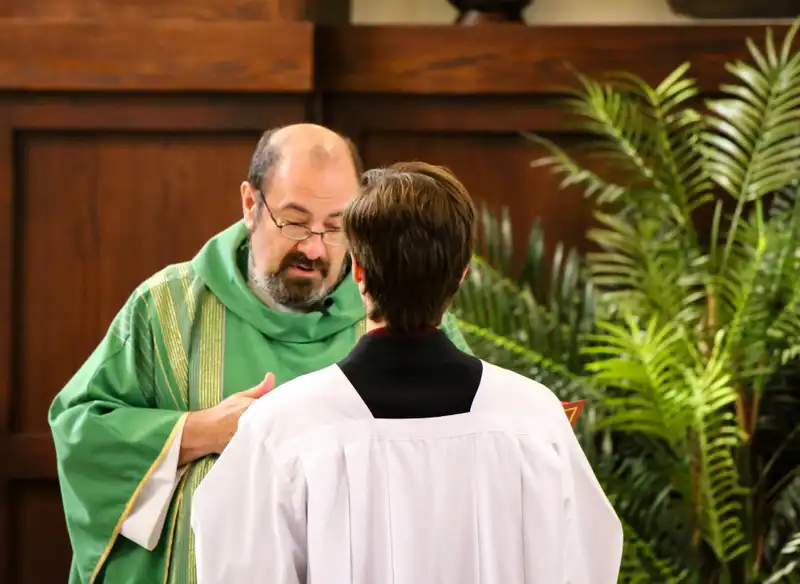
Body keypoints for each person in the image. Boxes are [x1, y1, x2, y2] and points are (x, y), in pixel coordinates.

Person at [47, 126, 473, 584]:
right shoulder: (168, 309)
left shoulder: (399, 309)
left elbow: (461, 448)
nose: (314, 247)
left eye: (336, 226)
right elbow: (80, 430)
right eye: (295, 221)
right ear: (251, 205)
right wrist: (196, 432)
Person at [190, 162, 624, 584]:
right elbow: (586, 559)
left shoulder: (282, 427)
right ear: (461, 277)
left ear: (357, 272)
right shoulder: (534, 418)